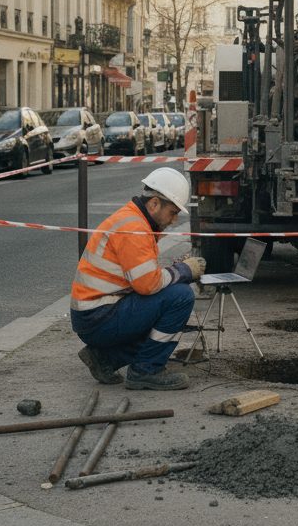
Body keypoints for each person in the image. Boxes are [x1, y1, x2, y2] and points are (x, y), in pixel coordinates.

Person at [70, 167, 205, 390]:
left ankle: (105, 358)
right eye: (172, 212)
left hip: (94, 314)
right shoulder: (135, 228)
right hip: (98, 317)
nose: (173, 220)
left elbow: (143, 278)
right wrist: (183, 271)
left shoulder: (133, 220)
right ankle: (146, 370)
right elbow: (148, 284)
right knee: (180, 297)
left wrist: (176, 272)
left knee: (167, 302)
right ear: (154, 204)